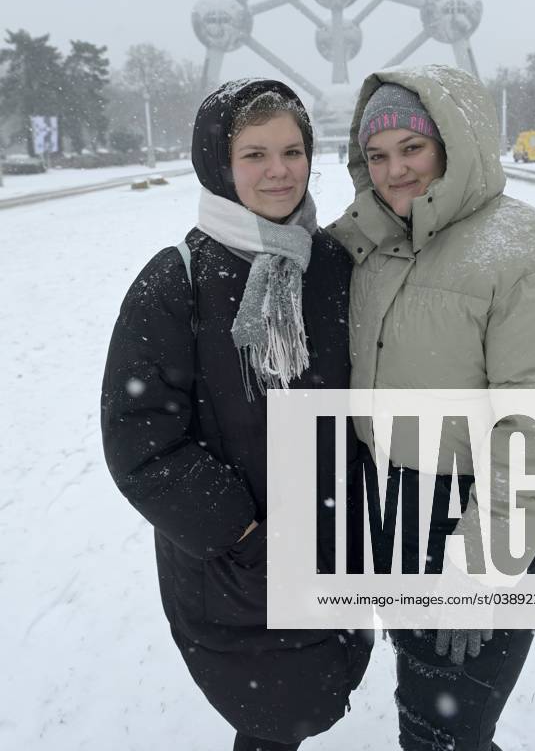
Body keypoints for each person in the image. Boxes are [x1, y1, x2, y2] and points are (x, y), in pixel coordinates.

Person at [329, 66, 535, 751]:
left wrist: (478, 566)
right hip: (393, 506)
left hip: (478, 513)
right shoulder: (373, 244)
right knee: (422, 709)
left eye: (412, 148)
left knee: (447, 730)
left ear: (455, 142)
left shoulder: (530, 254)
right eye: (377, 154)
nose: (395, 170)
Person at [101, 78, 372, 751]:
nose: (278, 171)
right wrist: (248, 535)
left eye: (291, 150)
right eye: (254, 155)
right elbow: (141, 439)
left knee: (313, 692)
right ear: (218, 164)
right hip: (238, 568)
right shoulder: (177, 281)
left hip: (335, 544)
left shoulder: (334, 264)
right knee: (270, 719)